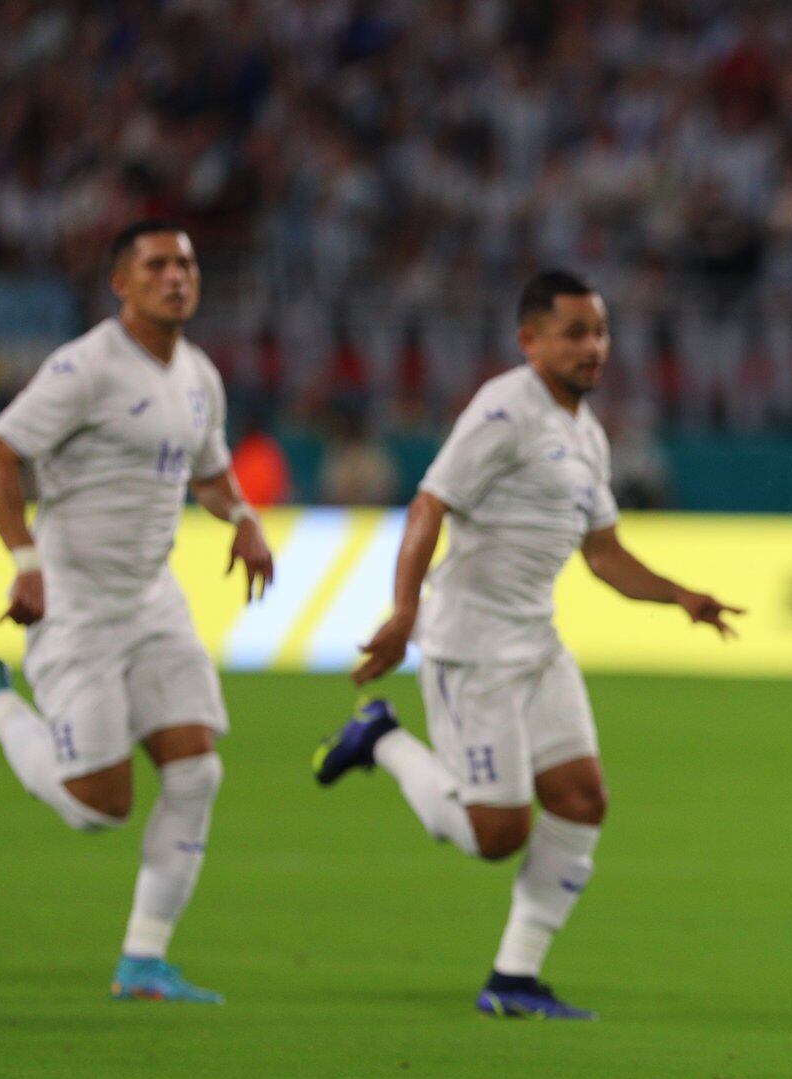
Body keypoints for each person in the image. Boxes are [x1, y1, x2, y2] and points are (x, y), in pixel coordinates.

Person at [311, 271, 742, 1020]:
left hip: (536, 642)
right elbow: (429, 501)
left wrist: (681, 597)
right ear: (530, 340)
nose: (593, 347)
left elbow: (604, 554)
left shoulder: (586, 434)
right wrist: (405, 609)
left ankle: (513, 979)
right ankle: (378, 738)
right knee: (495, 835)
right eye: (575, 332)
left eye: (600, 332)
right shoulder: (505, 409)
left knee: (582, 798)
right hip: (471, 647)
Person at [0, 220, 275, 1003]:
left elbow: (209, 474)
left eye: (186, 263)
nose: (177, 276)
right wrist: (25, 560)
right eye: (157, 265)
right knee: (97, 809)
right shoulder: (83, 367)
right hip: (74, 598)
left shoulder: (199, 377)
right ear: (122, 283)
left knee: (197, 767)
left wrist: (242, 516)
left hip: (153, 598)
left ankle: (143, 960)